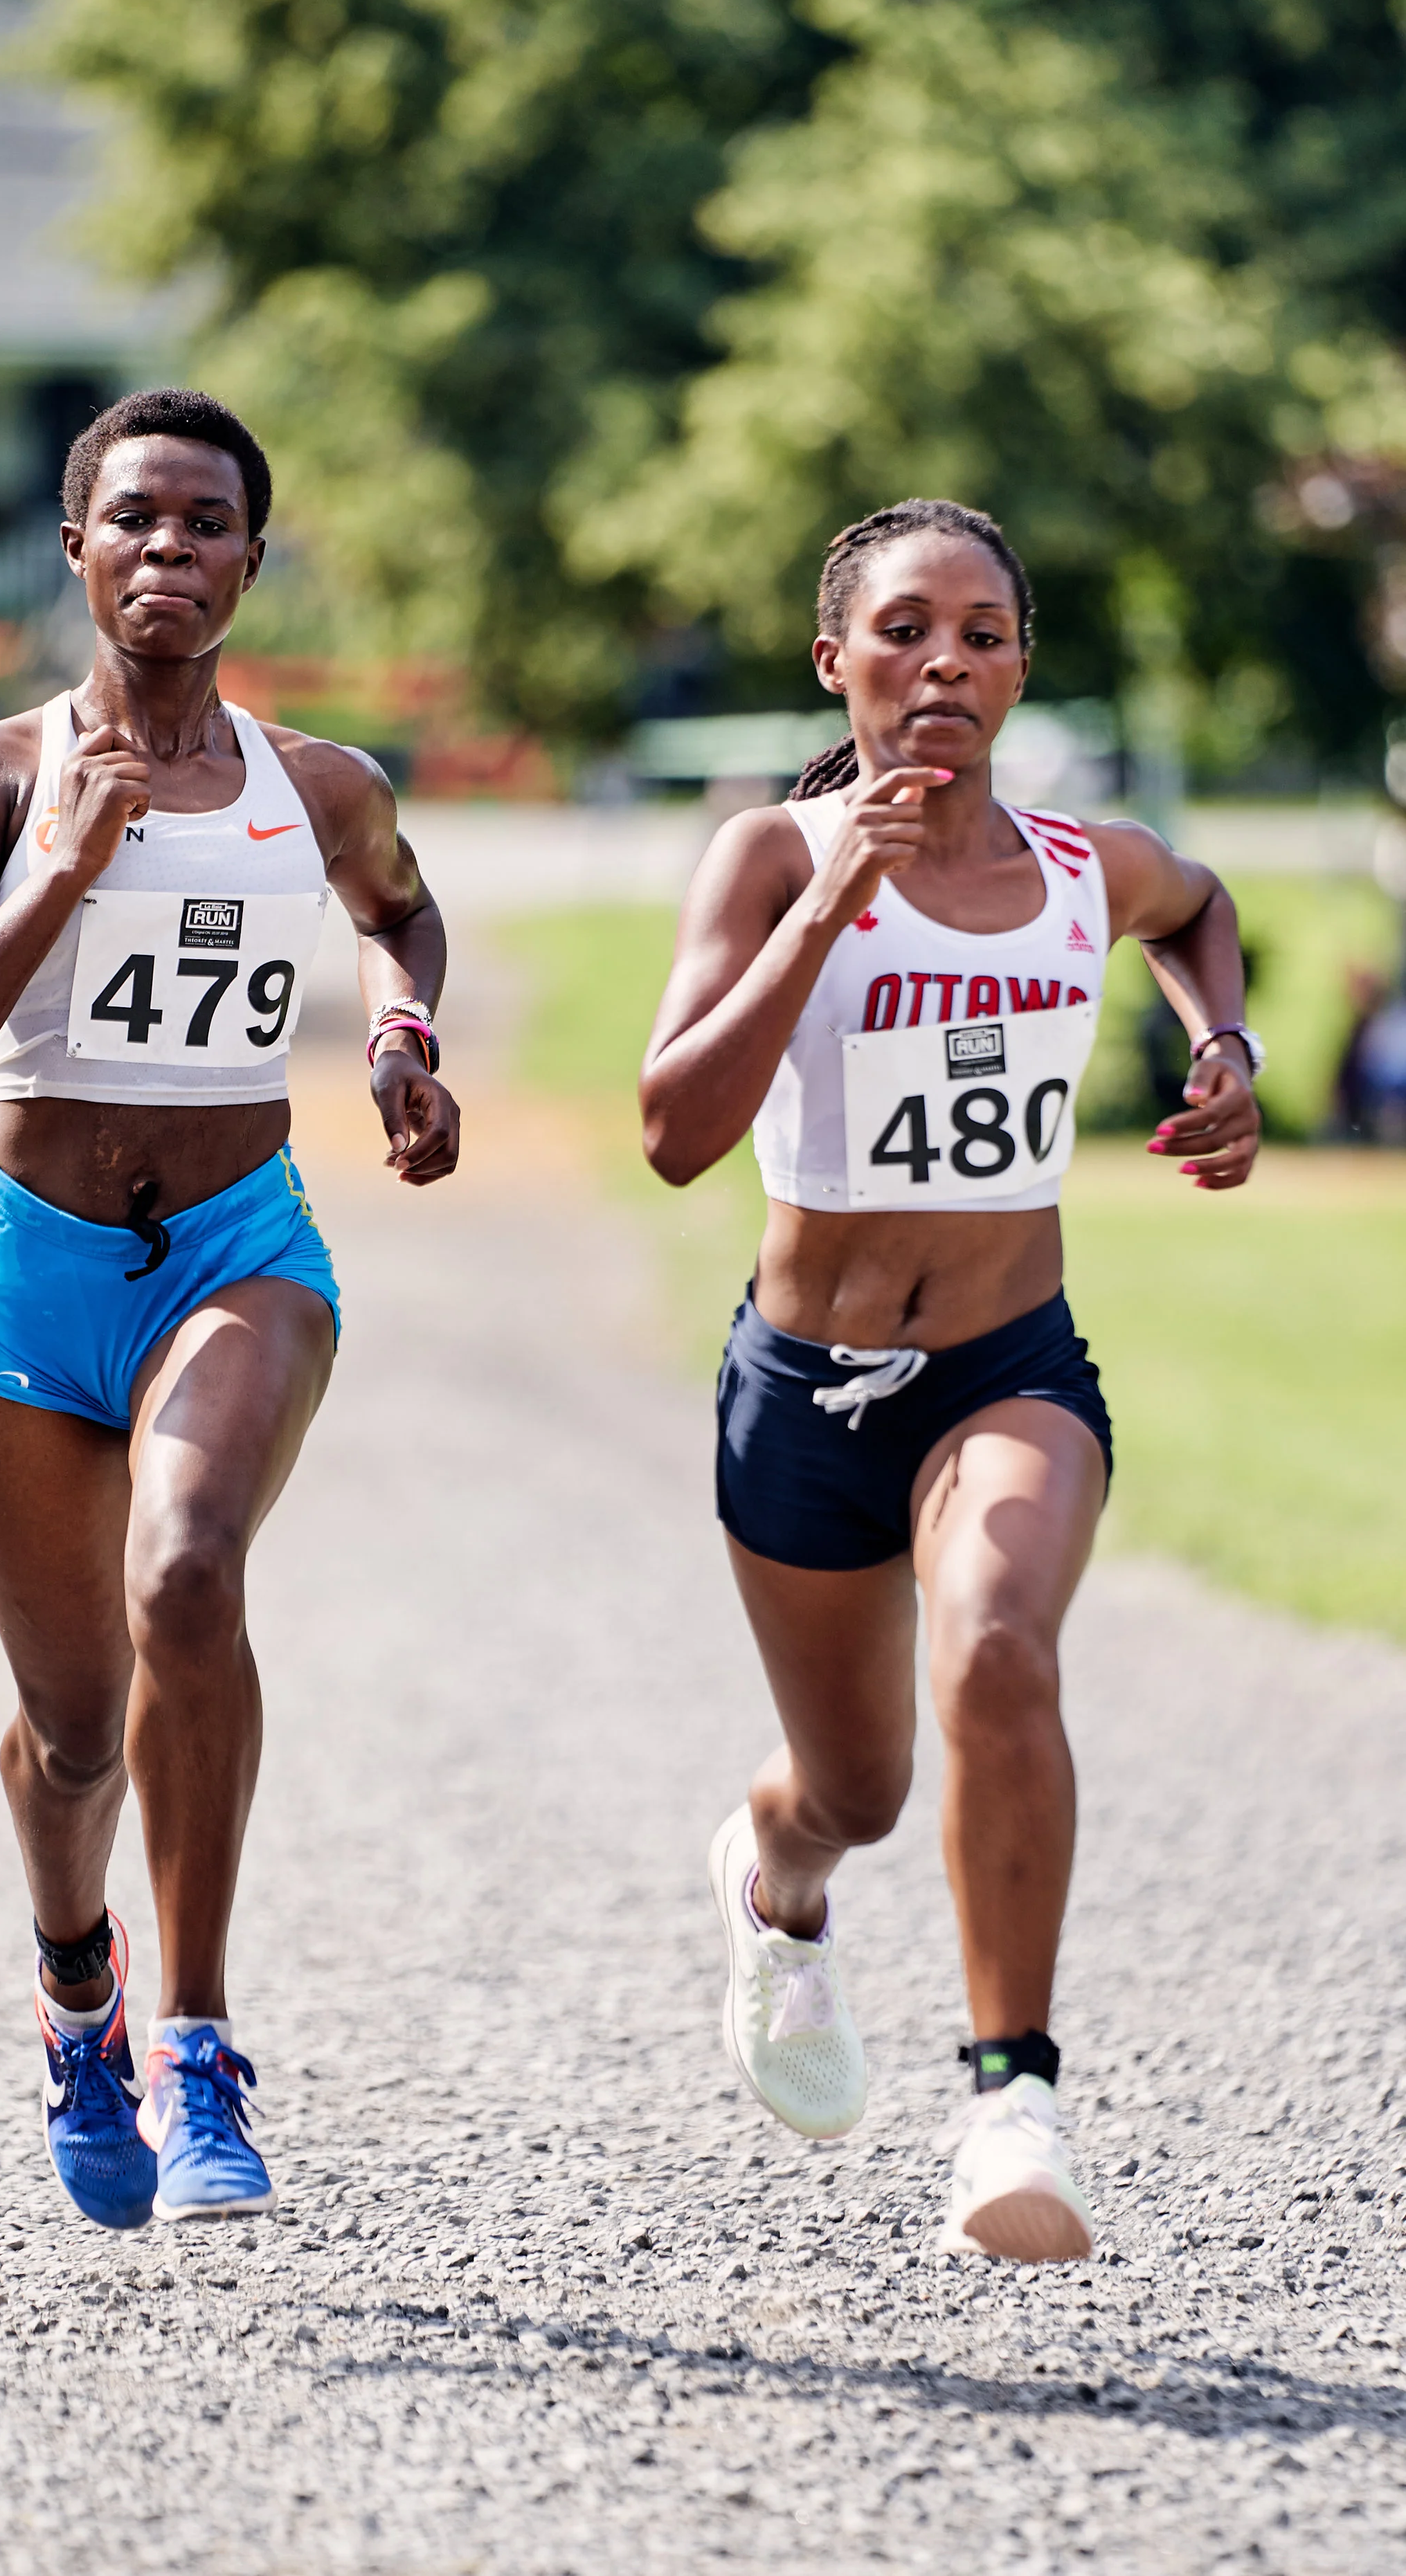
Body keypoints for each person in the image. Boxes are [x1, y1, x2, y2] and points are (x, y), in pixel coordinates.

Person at [0, 388, 459, 2229]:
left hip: (235, 1249)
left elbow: (401, 909)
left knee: (189, 1571)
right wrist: (60, 869)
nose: (169, 552)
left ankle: (198, 2040)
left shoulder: (321, 784)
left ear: (249, 559)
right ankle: (77, 1989)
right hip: (30, 1275)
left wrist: (405, 1027)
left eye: (207, 523)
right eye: (134, 519)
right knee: (72, 1730)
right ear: (76, 547)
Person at [640, 500, 1261, 2261]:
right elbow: (676, 1133)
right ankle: (777, 1884)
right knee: (852, 1790)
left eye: (982, 634)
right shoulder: (770, 856)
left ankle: (1008, 2104)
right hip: (801, 1385)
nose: (944, 667)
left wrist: (1223, 1044)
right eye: (903, 632)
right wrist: (834, 893)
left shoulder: (1080, 867)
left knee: (994, 1641)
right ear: (833, 660)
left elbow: (1200, 907)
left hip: (1006, 1365)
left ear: (1016, 665)